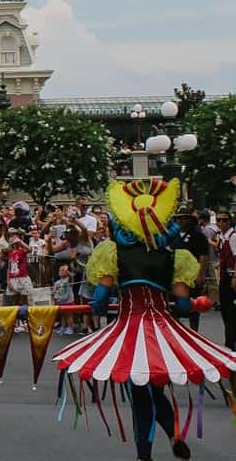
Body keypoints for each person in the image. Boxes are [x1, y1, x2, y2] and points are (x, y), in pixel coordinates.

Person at [54, 178, 236, 461]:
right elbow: (184, 304)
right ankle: (174, 434)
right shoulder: (172, 255)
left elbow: (100, 300)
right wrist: (194, 304)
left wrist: (100, 306)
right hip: (162, 331)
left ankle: (145, 455)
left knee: (140, 394)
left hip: (129, 329)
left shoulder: (115, 253)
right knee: (155, 390)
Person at [175, 208, 209, 331]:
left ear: (190, 220)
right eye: (179, 218)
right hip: (176, 277)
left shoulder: (198, 235)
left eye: (184, 218)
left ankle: (194, 333)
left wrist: (200, 274)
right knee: (174, 306)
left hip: (193, 275)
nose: (181, 221)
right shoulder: (172, 235)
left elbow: (203, 256)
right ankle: (176, 333)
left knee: (193, 308)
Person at [219, 210, 236, 350]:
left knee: (230, 312)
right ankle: (230, 341)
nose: (221, 223)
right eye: (219, 220)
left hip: (231, 278)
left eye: (224, 220)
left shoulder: (233, 236)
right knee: (225, 310)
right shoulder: (223, 237)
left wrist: (235, 276)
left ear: (230, 221)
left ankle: (230, 343)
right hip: (224, 277)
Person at [52, 264, 75, 334]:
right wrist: (55, 301)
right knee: (62, 316)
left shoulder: (68, 280)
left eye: (63, 270)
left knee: (69, 315)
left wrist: (68, 272)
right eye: (60, 270)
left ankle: (70, 328)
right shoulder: (57, 282)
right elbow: (55, 293)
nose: (61, 272)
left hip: (68, 301)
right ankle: (63, 327)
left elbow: (71, 277)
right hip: (60, 302)